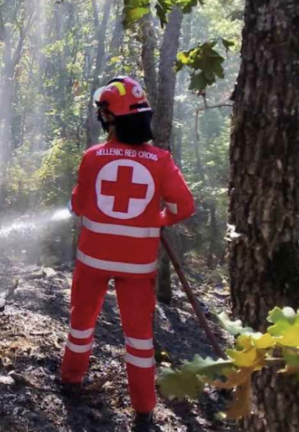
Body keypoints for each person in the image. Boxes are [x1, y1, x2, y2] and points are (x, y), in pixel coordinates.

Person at [61, 76, 195, 431]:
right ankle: (144, 410)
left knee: (81, 324)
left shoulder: (93, 157)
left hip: (92, 262)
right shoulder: (160, 161)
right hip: (138, 266)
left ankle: (71, 380)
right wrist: (158, 219)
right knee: (139, 338)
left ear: (112, 118)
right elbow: (184, 206)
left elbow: (79, 204)